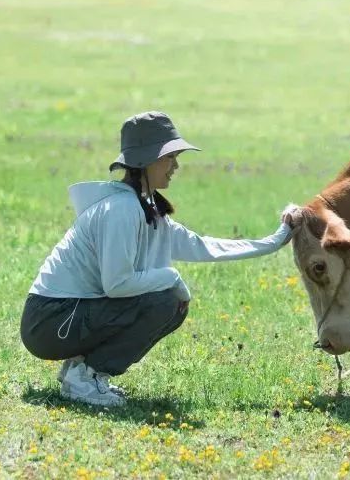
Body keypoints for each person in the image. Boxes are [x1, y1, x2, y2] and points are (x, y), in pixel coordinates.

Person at [20, 111, 294, 407]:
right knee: (164, 301)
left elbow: (204, 247)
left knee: (168, 302)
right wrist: (173, 278)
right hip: (48, 321)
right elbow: (117, 284)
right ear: (145, 161)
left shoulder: (143, 208)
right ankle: (84, 377)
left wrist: (278, 238)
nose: (175, 165)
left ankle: (82, 373)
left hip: (61, 317)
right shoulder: (122, 209)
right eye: (169, 157)